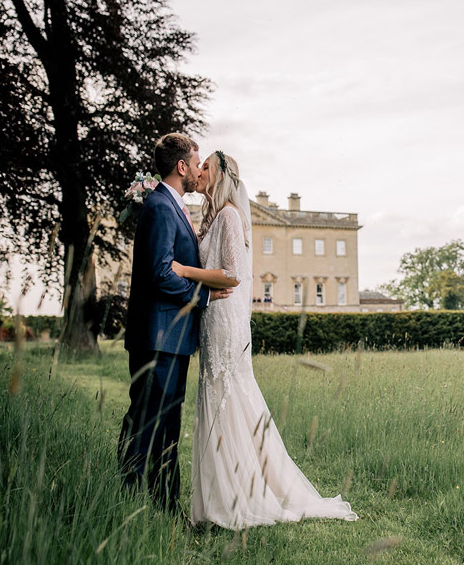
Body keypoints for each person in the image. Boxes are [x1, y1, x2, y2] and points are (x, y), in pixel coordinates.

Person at [173, 150, 358, 529]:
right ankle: (221, 494)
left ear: (222, 174)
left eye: (206, 166)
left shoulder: (228, 214)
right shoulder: (210, 217)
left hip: (224, 317)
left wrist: (184, 270)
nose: (199, 171)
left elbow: (232, 274)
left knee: (226, 395)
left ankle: (235, 498)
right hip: (213, 318)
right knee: (221, 396)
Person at [118, 133, 234, 514]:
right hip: (159, 337)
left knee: (164, 425)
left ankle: (164, 506)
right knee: (149, 424)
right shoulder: (161, 207)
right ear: (181, 166)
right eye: (197, 164)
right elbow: (160, 273)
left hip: (170, 337)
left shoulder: (172, 205)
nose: (200, 171)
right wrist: (203, 296)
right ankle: (132, 504)